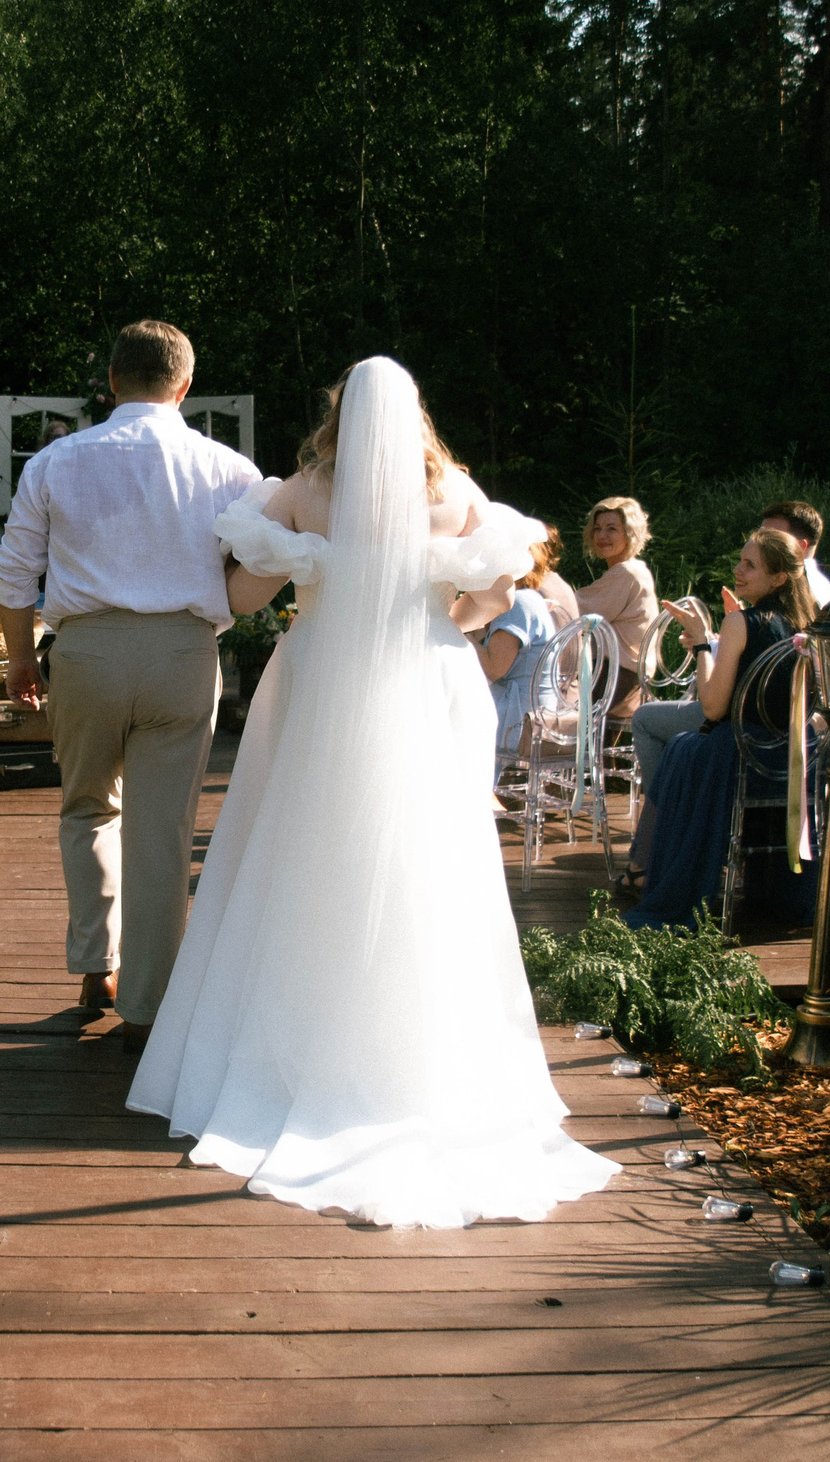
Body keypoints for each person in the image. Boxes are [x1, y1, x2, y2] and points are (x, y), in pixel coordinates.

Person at [126, 356, 619, 1228]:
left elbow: (242, 593)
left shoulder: (304, 490)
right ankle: (421, 1053)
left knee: (299, 849)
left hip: (321, 681)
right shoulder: (456, 491)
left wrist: (312, 580)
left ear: (340, 412)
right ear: (417, 413)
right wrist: (427, 612)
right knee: (434, 864)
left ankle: (287, 1052)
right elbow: (493, 599)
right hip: (429, 683)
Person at [0, 320, 262, 1041]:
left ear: (112, 381)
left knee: (87, 808)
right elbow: (259, 567)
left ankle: (93, 962)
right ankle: (149, 1004)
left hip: (86, 652)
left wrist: (22, 656)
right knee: (163, 832)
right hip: (183, 652)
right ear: (184, 386)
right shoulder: (231, 470)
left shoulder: (55, 462)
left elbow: (14, 571)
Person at [618, 528, 820, 925]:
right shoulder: (807, 623)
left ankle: (649, 866)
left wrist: (698, 644)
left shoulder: (741, 622)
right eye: (740, 561)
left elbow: (712, 707)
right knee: (683, 743)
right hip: (792, 757)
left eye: (750, 565)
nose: (737, 569)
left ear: (779, 578)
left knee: (679, 746)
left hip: (739, 754)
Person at [480, 548, 560, 784]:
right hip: (538, 711)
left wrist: (456, 631)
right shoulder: (531, 599)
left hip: (520, 721)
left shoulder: (518, 605)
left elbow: (494, 668)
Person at [576, 496, 658, 716]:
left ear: (630, 534)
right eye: (598, 528)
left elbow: (574, 613)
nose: (602, 536)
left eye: (612, 529)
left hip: (616, 682)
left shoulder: (626, 574)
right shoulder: (635, 570)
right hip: (629, 679)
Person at [760, 500, 830, 607]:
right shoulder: (822, 586)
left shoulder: (798, 589)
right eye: (760, 535)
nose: (758, 543)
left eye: (772, 538)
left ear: (799, 547)